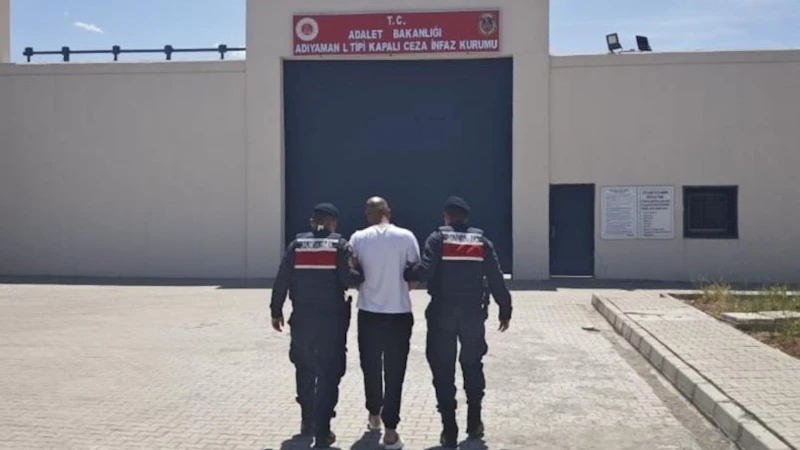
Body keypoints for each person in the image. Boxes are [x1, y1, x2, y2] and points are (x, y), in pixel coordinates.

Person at [404, 196, 512, 448]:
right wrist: (505, 308)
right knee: (472, 365)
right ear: (466, 218)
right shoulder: (481, 241)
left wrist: (407, 271)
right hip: (473, 314)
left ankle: (449, 429)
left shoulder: (437, 239)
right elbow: (496, 277)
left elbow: (425, 271)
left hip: (443, 313)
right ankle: (474, 422)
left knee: (443, 369)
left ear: (447, 217)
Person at [270, 202, 363, 449]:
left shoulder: (296, 245)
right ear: (333, 223)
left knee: (304, 368)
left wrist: (276, 310)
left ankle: (307, 420)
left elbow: (282, 279)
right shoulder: (339, 245)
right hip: (331, 322)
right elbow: (349, 278)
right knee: (329, 373)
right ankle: (323, 430)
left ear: (312, 221)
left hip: (302, 320)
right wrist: (361, 271)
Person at [348, 196, 420, 450]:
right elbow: (414, 278)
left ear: (368, 214)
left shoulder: (358, 238)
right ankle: (391, 431)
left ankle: (374, 414)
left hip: (369, 313)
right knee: (395, 371)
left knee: (370, 366)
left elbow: (352, 274)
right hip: (399, 313)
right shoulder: (406, 237)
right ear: (388, 211)